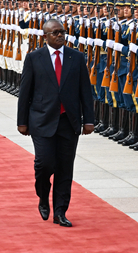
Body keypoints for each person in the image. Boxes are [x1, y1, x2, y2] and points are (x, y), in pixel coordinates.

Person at [17, 18, 95, 227]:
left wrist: (88, 120)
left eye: (62, 32)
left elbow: (85, 91)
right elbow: (25, 91)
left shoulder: (76, 57)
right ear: (45, 36)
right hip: (42, 120)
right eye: (55, 33)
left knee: (65, 167)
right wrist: (21, 121)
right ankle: (43, 195)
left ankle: (60, 211)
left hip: (68, 121)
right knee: (44, 163)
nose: (60, 35)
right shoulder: (35, 58)